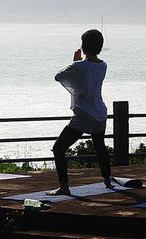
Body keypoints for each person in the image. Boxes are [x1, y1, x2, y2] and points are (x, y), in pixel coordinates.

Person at [47, 29, 113, 195]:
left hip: (84, 114)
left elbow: (58, 76)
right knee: (100, 148)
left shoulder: (79, 66)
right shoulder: (103, 65)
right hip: (100, 113)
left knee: (58, 148)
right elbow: (89, 76)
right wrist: (79, 64)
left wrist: (75, 61)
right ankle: (107, 181)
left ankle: (64, 186)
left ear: (83, 47)